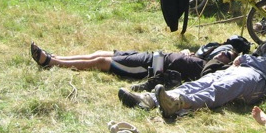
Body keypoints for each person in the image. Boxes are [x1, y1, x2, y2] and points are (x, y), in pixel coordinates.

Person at [117, 52, 266, 118]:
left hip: (258, 82)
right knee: (203, 82)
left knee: (220, 89)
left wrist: (246, 59)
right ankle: (150, 99)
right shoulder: (263, 58)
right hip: (239, 72)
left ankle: (179, 102)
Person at [29, 41, 238, 89]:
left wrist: (235, 63)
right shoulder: (204, 59)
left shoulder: (212, 70)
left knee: (102, 62)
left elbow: (215, 75)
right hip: (152, 55)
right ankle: (59, 57)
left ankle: (51, 63)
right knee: (101, 52)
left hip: (149, 68)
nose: (223, 54)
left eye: (228, 55)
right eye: (225, 51)